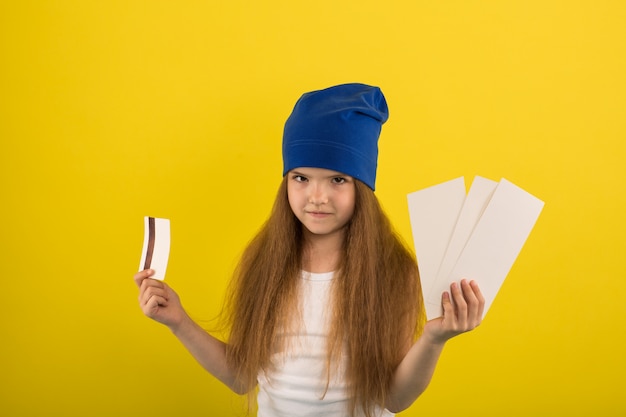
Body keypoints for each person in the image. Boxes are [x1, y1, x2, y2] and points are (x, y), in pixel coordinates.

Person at [134, 83, 485, 417]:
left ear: (361, 188)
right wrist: (178, 321)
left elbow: (394, 398)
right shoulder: (263, 263)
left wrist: (434, 339)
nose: (317, 197)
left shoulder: (394, 271)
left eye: (337, 180)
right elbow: (241, 378)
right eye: (301, 178)